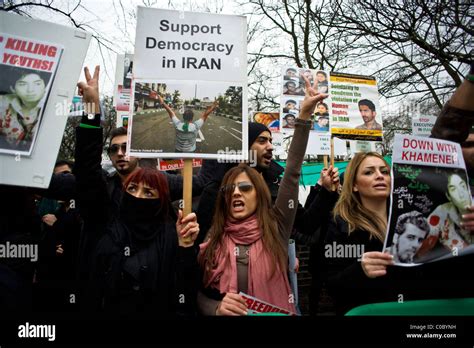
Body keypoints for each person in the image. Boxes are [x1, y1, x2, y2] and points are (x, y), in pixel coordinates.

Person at [75, 66, 200, 314]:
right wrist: (91, 112)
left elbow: (184, 290)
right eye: (133, 188)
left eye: (149, 193)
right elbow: (87, 173)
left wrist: (186, 248)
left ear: (161, 200)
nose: (138, 195)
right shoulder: (105, 219)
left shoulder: (171, 234)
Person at [197, 76, 327, 315]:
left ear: (260, 196)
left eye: (246, 188)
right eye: (230, 189)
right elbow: (195, 291)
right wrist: (216, 308)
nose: (236, 192)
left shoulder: (275, 229)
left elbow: (293, 172)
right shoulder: (211, 237)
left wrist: (304, 117)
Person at [324, 152, 395, 314]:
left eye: (384, 172)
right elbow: (332, 284)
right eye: (369, 172)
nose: (379, 176)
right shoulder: (341, 225)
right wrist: (359, 270)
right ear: (354, 184)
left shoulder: (409, 218)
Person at [421, 173, 473, 252]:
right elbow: (423, 238)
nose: (461, 194)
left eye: (463, 186)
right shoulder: (443, 210)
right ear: (448, 196)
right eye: (453, 189)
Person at [0, 71, 49, 149]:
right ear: (13, 88)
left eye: (37, 84)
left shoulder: (53, 109)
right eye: (23, 84)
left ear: (45, 87)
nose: (30, 90)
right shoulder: (3, 104)